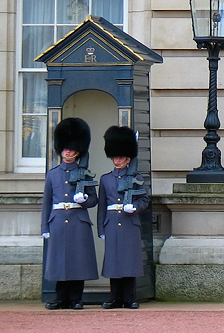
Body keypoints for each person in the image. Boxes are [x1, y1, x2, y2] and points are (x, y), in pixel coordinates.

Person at [40, 117, 99, 309]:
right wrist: (44, 227)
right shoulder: (53, 173)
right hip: (57, 221)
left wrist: (83, 201)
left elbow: (93, 199)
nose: (67, 151)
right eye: (65, 148)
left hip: (77, 220)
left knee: (77, 260)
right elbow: (47, 202)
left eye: (71, 148)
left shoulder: (85, 174)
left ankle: (75, 298)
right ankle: (60, 298)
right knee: (59, 261)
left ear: (77, 150)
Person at [98, 126, 149, 309]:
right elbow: (102, 206)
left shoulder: (136, 177)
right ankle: (115, 297)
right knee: (113, 262)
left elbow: (144, 199)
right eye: (116, 156)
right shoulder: (105, 179)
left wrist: (133, 207)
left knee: (129, 261)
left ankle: (129, 297)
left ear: (128, 158)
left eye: (121, 156)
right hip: (112, 223)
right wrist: (101, 229)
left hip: (129, 222)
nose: (117, 159)